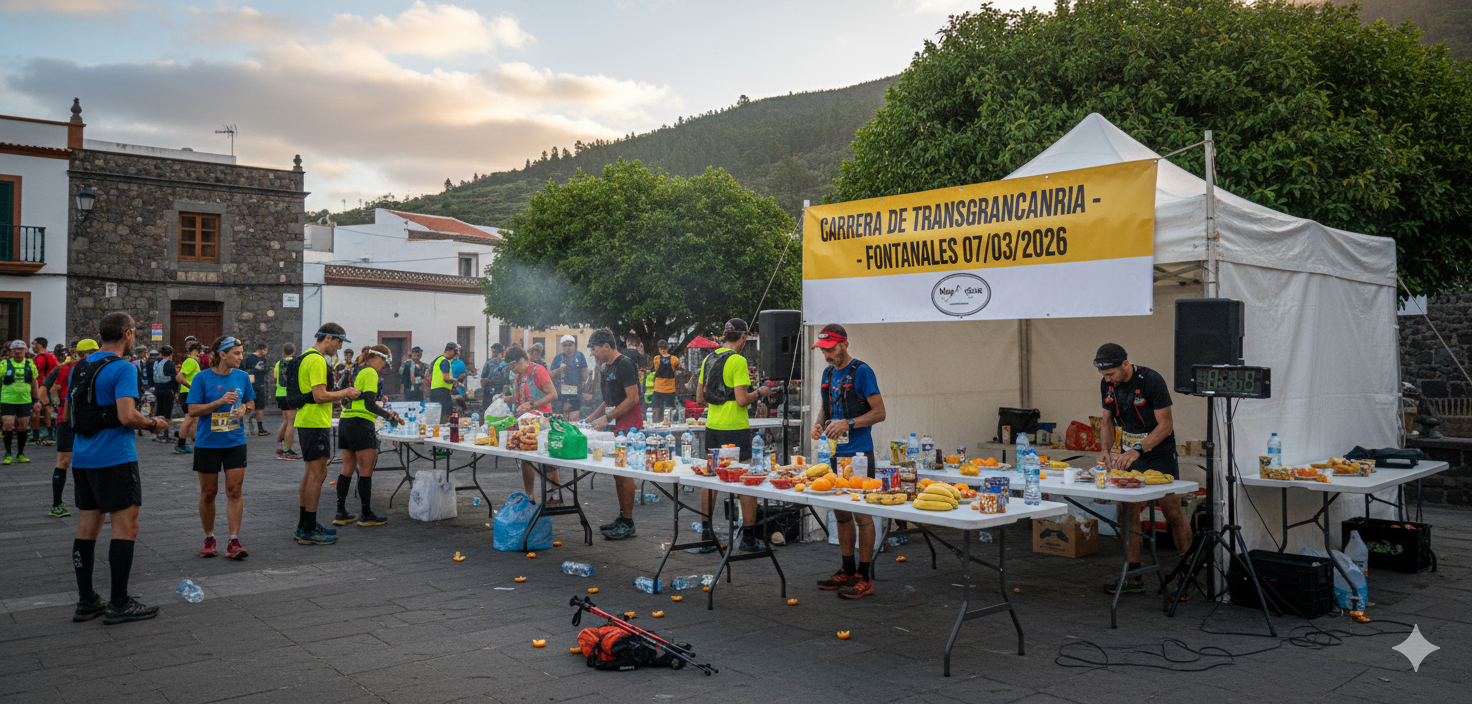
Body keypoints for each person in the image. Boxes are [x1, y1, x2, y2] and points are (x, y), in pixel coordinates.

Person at [69, 311, 171, 625]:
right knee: (126, 526)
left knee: (87, 527)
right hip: (114, 456)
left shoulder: (80, 366)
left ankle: (87, 600)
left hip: (82, 456)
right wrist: (154, 423)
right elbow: (127, 415)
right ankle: (119, 602)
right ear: (128, 334)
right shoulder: (122, 367)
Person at [1094, 343, 1193, 595]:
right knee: (1126, 509)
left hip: (1157, 450)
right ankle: (1134, 575)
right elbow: (1107, 420)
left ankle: (1186, 573)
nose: (1108, 380)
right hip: (1129, 453)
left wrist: (1138, 449)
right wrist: (1105, 450)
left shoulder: (1151, 380)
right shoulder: (1107, 385)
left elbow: (1165, 426)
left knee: (1171, 510)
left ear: (1125, 364)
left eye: (1111, 374)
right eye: (1104, 376)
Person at [810, 324, 887, 599]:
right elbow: (825, 406)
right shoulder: (828, 373)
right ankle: (847, 569)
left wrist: (849, 423)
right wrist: (818, 425)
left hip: (858, 454)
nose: (827, 355)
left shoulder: (862, 371)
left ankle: (864, 576)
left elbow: (880, 413)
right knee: (840, 513)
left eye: (831, 349)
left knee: (862, 515)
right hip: (834, 454)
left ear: (844, 344)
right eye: (823, 350)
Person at [694, 319, 775, 554]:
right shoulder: (738, 361)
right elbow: (742, 399)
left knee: (711, 479)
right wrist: (759, 392)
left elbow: (700, 398)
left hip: (712, 426)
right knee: (746, 480)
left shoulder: (709, 359)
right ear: (742, 337)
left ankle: (706, 535)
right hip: (735, 427)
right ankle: (748, 538)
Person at [185, 336, 254, 559]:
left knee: (234, 490)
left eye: (242, 353)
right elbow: (193, 410)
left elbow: (251, 402)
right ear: (222, 354)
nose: (241, 357)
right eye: (237, 353)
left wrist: (245, 408)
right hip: (208, 443)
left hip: (235, 441)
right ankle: (209, 537)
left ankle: (234, 541)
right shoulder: (202, 378)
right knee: (208, 493)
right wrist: (219, 402)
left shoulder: (242, 377)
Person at [294, 323, 361, 545]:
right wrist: (346, 392)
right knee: (317, 475)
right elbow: (320, 395)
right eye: (339, 341)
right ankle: (308, 530)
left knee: (310, 473)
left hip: (307, 420)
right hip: (314, 422)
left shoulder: (307, 356)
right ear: (328, 337)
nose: (340, 347)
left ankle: (305, 525)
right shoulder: (316, 360)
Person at [586, 328, 649, 539]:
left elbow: (632, 399)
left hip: (629, 427)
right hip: (615, 426)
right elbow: (608, 399)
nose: (593, 353)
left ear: (606, 346)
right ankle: (622, 517)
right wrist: (590, 418)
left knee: (625, 473)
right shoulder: (606, 368)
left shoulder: (624, 364)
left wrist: (608, 418)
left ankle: (629, 521)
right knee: (617, 473)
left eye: (594, 348)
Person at [334, 345, 403, 527]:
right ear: (376, 358)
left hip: (345, 421)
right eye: (385, 362)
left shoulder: (353, 369)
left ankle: (340, 513)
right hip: (361, 423)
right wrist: (389, 417)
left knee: (347, 469)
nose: (384, 367)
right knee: (366, 470)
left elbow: (350, 396)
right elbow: (370, 405)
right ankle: (366, 514)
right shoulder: (371, 372)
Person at [504, 346, 561, 502]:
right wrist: (507, 399)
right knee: (526, 459)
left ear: (522, 360)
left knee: (547, 460)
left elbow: (553, 394)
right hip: (526, 423)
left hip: (543, 421)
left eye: (513, 365)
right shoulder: (517, 376)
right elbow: (519, 396)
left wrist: (532, 405)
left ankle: (555, 494)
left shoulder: (538, 371)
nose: (512, 369)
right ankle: (529, 496)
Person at [46, 339, 93, 518]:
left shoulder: (99, 368)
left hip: (88, 420)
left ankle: (89, 501)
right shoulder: (65, 368)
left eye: (90, 352)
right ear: (76, 353)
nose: (86, 356)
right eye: (83, 353)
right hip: (66, 419)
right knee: (64, 461)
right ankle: (56, 503)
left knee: (89, 459)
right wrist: (59, 404)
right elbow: (52, 388)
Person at [1, 339, 40, 464]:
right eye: (16, 349)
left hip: (24, 399)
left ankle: (20, 453)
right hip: (8, 399)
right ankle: (8, 454)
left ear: (25, 351)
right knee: (8, 425)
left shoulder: (30, 364)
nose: (19, 352)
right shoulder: (4, 364)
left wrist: (36, 399)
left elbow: (34, 382)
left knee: (23, 427)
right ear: (12, 351)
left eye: (22, 349)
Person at [549, 335, 588, 421]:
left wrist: (583, 382)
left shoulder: (580, 356)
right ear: (562, 346)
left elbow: (585, 371)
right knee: (561, 418)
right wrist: (559, 370)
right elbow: (550, 374)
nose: (568, 348)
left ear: (574, 345)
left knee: (575, 419)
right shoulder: (558, 358)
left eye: (570, 345)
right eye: (565, 345)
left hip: (576, 395)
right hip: (561, 395)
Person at [175, 343, 205, 454]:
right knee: (189, 418)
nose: (202, 354)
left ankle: (194, 440)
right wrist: (192, 387)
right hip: (188, 394)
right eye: (200, 351)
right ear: (195, 351)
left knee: (193, 418)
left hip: (189, 394)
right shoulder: (191, 361)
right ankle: (181, 443)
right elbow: (179, 377)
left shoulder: (192, 362)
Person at [272, 343, 300, 460]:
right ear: (294, 351)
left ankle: (281, 446)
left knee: (285, 420)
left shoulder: (278, 363)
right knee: (291, 423)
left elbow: (275, 377)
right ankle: (287, 451)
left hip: (280, 393)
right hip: (290, 394)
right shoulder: (295, 363)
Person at [147, 346, 178, 443]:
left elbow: (151, 375)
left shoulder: (155, 362)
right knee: (166, 413)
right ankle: (165, 433)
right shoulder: (169, 363)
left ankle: (158, 433)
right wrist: (175, 391)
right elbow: (174, 378)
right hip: (167, 390)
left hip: (158, 389)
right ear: (171, 354)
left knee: (159, 411)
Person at [31, 337, 58, 445]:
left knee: (37, 410)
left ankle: (36, 435)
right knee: (49, 408)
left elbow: (35, 374)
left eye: (34, 344)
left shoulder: (40, 358)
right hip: (51, 387)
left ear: (38, 346)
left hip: (41, 386)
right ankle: (50, 434)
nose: (32, 347)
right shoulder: (52, 357)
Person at [242, 342, 270, 437]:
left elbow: (266, 369)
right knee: (249, 405)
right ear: (261, 350)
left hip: (260, 385)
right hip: (251, 385)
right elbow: (244, 369)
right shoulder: (250, 358)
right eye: (265, 350)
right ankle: (245, 425)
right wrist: (255, 370)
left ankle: (260, 428)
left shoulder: (263, 359)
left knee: (260, 407)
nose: (266, 352)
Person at [649, 340, 681, 422]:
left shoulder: (674, 359)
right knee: (656, 408)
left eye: (664, 348)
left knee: (669, 409)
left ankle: (667, 423)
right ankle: (656, 423)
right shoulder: (657, 359)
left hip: (669, 388)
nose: (663, 350)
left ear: (667, 348)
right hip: (659, 388)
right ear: (659, 349)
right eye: (661, 348)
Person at [427, 343, 459, 414]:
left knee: (436, 414)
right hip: (441, 392)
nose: (455, 355)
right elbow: (446, 378)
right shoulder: (445, 362)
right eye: (455, 352)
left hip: (434, 391)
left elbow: (430, 373)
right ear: (449, 351)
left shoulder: (438, 359)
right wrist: (456, 381)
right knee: (446, 414)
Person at [480, 343, 507, 413]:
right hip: (502, 389)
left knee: (488, 409)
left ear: (493, 352)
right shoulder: (506, 362)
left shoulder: (489, 362)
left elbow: (483, 375)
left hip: (489, 388)